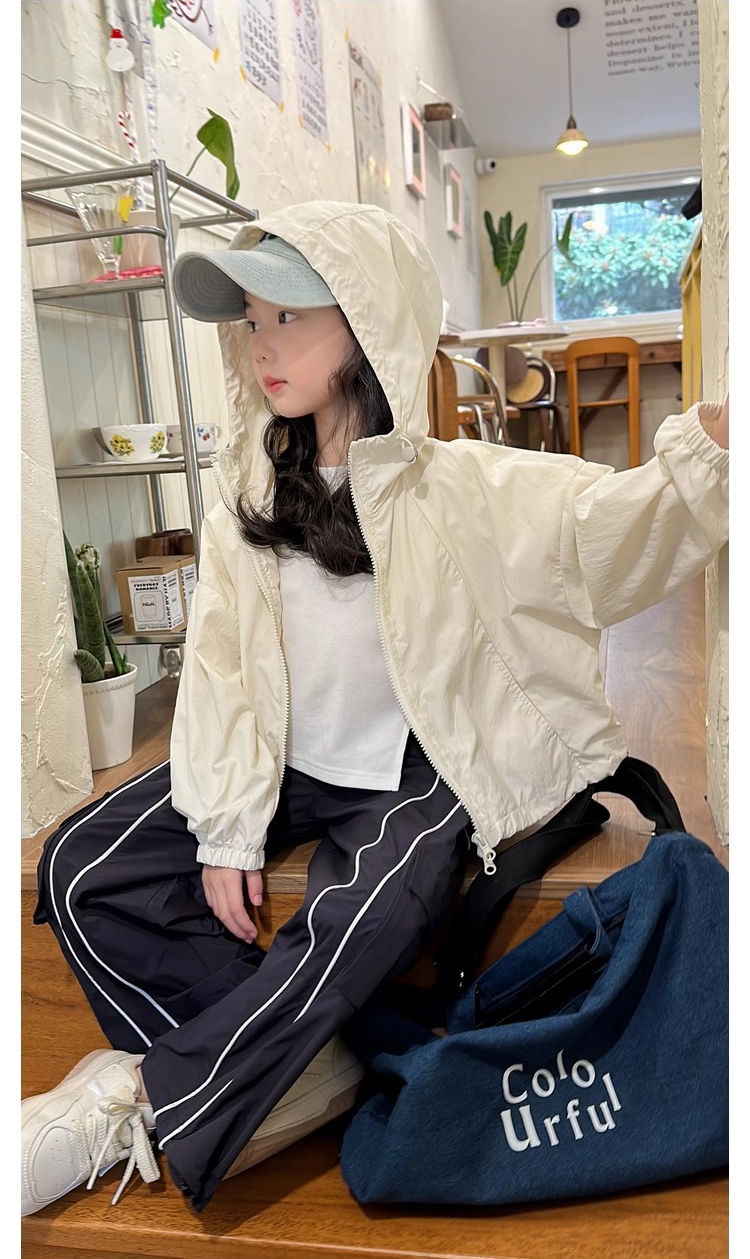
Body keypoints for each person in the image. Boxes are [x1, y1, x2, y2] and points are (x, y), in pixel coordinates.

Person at [22, 200, 729, 1218]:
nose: (263, 346)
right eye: (252, 322)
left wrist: (704, 454)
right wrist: (225, 822)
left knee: (378, 905)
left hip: (416, 761)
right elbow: (221, 662)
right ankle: (298, 1072)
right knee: (82, 865)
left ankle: (143, 1095)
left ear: (366, 321)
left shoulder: (465, 486)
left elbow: (603, 534)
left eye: (289, 317)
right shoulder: (246, 492)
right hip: (286, 757)